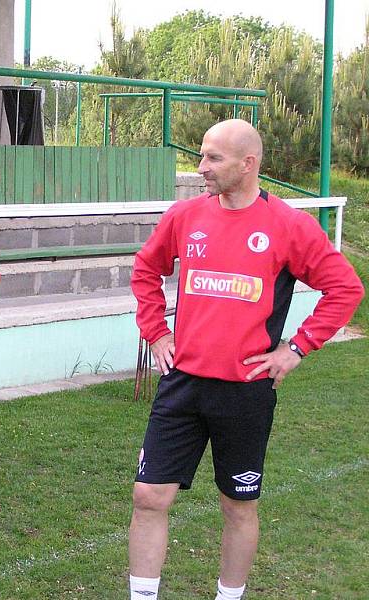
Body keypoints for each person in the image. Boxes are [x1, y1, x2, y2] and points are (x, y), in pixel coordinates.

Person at [127, 118, 364, 600]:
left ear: (248, 164)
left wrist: (296, 348)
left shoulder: (289, 226)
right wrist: (156, 333)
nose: (201, 168)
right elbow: (146, 269)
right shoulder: (185, 216)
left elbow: (345, 288)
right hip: (182, 383)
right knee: (149, 496)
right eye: (202, 155)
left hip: (246, 391)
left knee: (238, 505)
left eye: (213, 158)